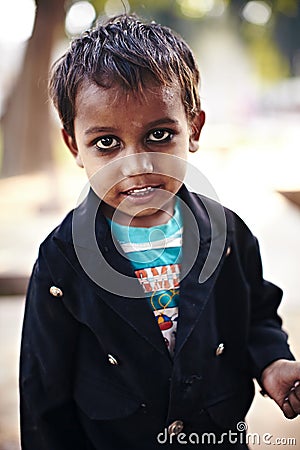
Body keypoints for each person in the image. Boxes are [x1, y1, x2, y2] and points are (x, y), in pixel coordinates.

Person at [19, 13, 300, 450]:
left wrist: (272, 363)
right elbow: (43, 393)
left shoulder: (228, 236)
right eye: (107, 143)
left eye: (159, 134)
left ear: (194, 129)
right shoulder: (62, 259)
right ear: (75, 145)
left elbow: (256, 314)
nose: (137, 165)